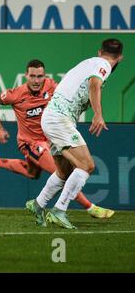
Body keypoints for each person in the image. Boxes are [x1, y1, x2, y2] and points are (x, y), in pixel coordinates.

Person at [0, 59, 114, 220]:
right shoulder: (16, 94)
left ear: (45, 76)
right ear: (26, 76)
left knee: (32, 173)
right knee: (62, 173)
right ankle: (90, 207)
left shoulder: (52, 86)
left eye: (40, 76)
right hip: (30, 142)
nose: (36, 80)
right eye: (32, 76)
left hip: (50, 138)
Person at [26, 39, 123, 229]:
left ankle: (38, 204)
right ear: (120, 57)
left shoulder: (88, 62)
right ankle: (59, 210)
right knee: (87, 165)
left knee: (63, 172)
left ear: (99, 51)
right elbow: (94, 85)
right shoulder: (103, 65)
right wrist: (98, 114)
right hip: (59, 119)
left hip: (51, 118)